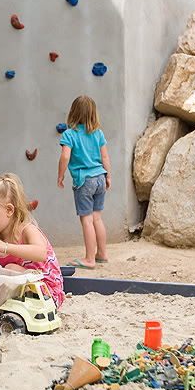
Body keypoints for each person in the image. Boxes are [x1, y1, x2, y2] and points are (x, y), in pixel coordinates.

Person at [0, 172, 64, 308]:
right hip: (22, 292)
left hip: (47, 293)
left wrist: (5, 247)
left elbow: (41, 253)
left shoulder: (28, 230)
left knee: (9, 269)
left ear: (9, 210)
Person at [57, 95, 110, 270]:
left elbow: (65, 156)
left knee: (87, 220)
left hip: (84, 180)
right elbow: (105, 156)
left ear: (73, 112)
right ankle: (101, 254)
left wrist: (61, 175)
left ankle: (89, 259)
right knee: (97, 218)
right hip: (100, 177)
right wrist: (108, 176)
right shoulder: (98, 133)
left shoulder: (70, 134)